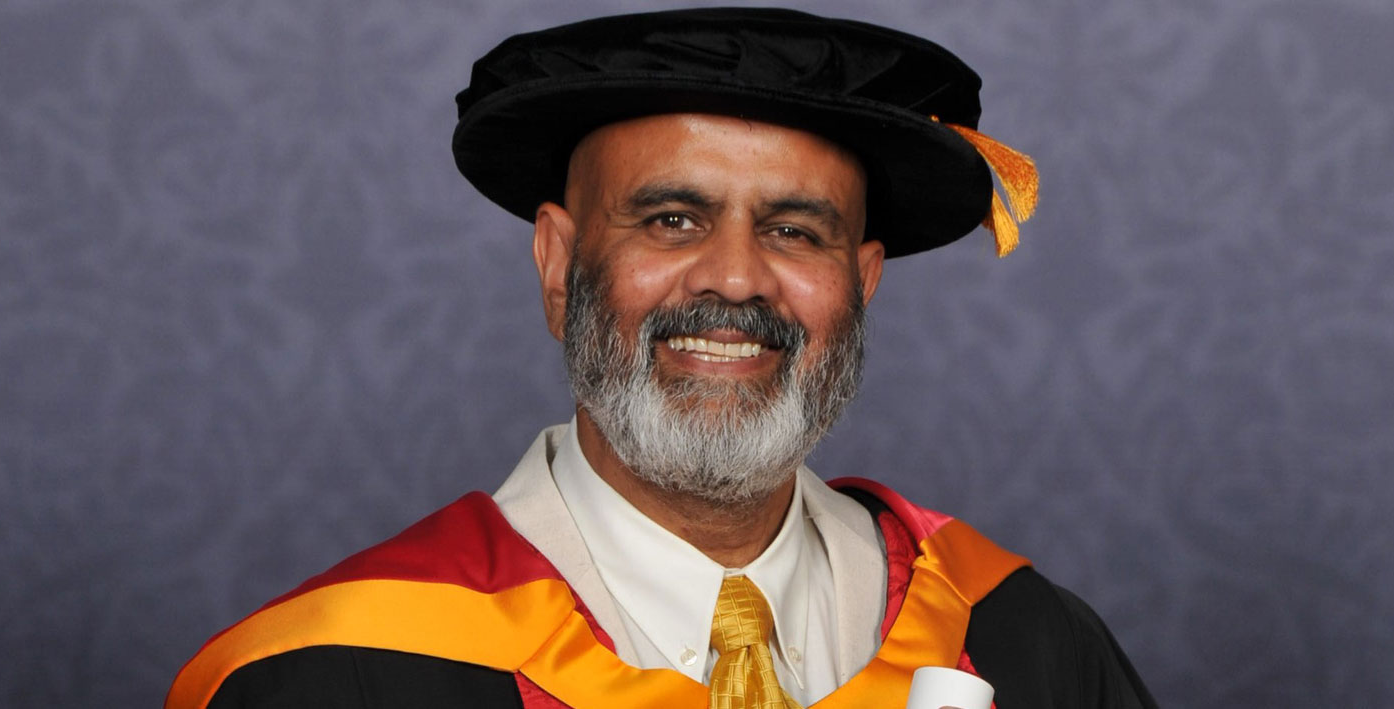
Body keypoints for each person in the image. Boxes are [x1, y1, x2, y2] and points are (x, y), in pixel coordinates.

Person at [167, 8, 1157, 708]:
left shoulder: (1020, 646)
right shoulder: (338, 675)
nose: (734, 278)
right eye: (671, 217)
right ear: (560, 267)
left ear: (862, 283)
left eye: (795, 230)